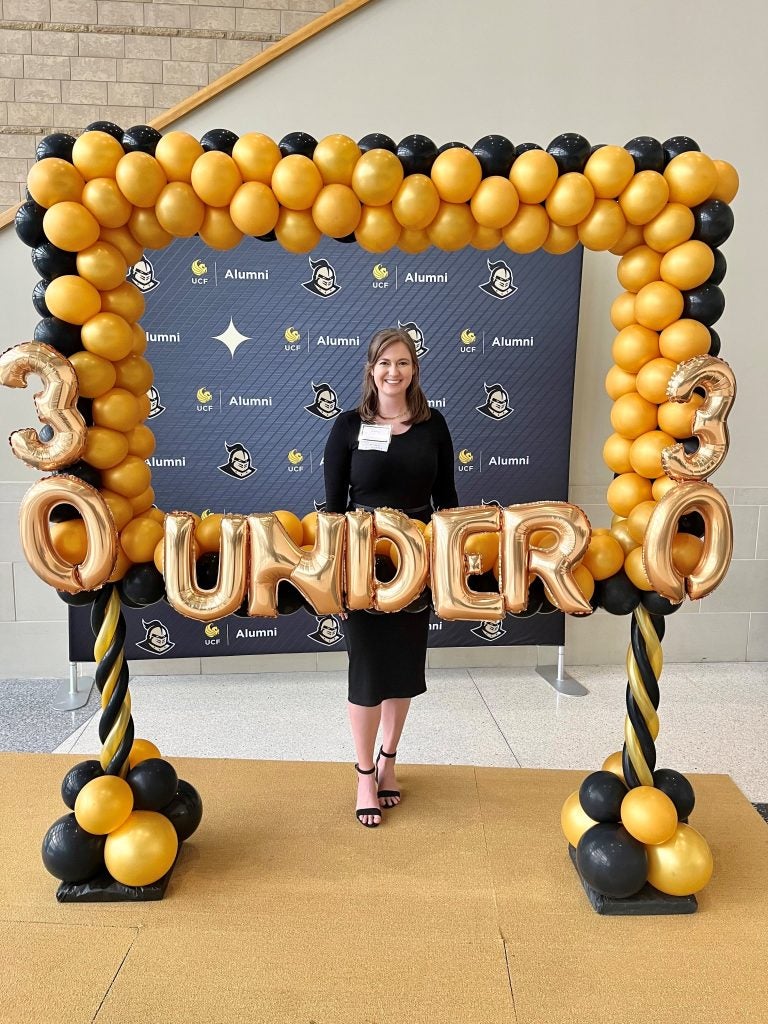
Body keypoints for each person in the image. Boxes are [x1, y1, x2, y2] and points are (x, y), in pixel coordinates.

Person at [323, 327, 458, 828]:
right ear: (371, 369)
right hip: (364, 565)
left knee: (403, 665)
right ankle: (363, 773)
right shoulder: (347, 427)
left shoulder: (433, 425)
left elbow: (448, 499)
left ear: (414, 370)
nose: (393, 372)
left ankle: (389, 759)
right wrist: (335, 572)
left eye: (402, 363)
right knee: (366, 668)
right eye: (384, 363)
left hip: (417, 562)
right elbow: (334, 507)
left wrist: (447, 562)